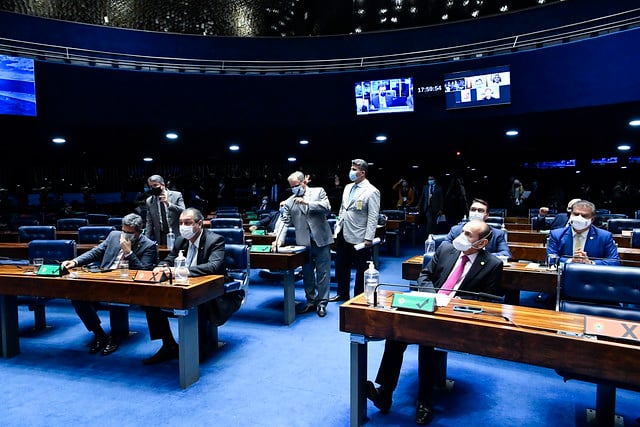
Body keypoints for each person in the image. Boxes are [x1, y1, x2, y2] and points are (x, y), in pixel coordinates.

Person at [366, 220, 503, 425]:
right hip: (429, 306)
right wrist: (433, 298)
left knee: (426, 342)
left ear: (481, 243)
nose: (461, 237)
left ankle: (425, 401)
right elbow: (425, 275)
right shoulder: (446, 248)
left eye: (468, 235)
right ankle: (385, 393)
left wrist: (455, 304)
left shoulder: (492, 264)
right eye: (462, 231)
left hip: (456, 317)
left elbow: (489, 300)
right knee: (395, 334)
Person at [142, 207, 243, 364]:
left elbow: (212, 267)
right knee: (152, 300)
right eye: (181, 223)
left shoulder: (215, 240)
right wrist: (161, 266)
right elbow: (169, 259)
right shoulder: (180, 240)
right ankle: (168, 344)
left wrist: (178, 271)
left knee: (198, 303)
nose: (183, 226)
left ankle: (200, 346)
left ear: (199, 224)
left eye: (187, 222)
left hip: (213, 291)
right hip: (184, 287)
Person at [61, 213, 158, 356]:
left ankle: (115, 337)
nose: (124, 235)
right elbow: (96, 252)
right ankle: (99, 334)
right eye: (123, 231)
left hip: (128, 287)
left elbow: (144, 271)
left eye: (129, 233)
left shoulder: (148, 245)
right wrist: (75, 261)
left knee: (116, 298)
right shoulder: (114, 235)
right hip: (104, 279)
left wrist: (129, 252)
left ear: (138, 232)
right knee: (77, 296)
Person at [273, 171, 333, 317]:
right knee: (307, 274)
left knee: (323, 273)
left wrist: (307, 202)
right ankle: (311, 301)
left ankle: (322, 303)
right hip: (303, 243)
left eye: (296, 185)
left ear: (303, 182)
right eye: (291, 187)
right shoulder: (289, 202)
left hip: (321, 240)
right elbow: (285, 223)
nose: (294, 189)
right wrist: (279, 239)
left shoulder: (318, 192)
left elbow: (327, 207)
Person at [329, 159, 380, 302]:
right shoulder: (347, 187)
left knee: (361, 268)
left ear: (362, 173)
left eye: (354, 169)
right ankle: (342, 293)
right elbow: (342, 208)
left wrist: (369, 237)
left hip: (360, 236)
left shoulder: (372, 191)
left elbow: (373, 217)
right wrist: (337, 227)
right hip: (343, 232)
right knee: (341, 265)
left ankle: (358, 296)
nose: (351, 171)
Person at [547, 199, 620, 266]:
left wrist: (591, 263)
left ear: (592, 219)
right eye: (576, 214)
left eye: (584, 216)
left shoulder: (604, 236)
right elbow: (551, 259)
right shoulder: (556, 234)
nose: (579, 218)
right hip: (565, 277)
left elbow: (614, 262)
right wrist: (571, 261)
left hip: (593, 277)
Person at [445, 198, 511, 258]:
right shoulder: (455, 230)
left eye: (480, 211)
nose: (476, 213)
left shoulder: (497, 234)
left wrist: (476, 256)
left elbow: (505, 254)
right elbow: (444, 249)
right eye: (473, 210)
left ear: (487, 215)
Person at [144, 174, 185, 246]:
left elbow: (183, 212)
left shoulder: (176, 195)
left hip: (176, 233)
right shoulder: (149, 201)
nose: (152, 188)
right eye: (150, 186)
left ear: (163, 185)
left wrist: (168, 204)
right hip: (161, 235)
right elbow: (149, 222)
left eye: (155, 185)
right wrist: (146, 240)